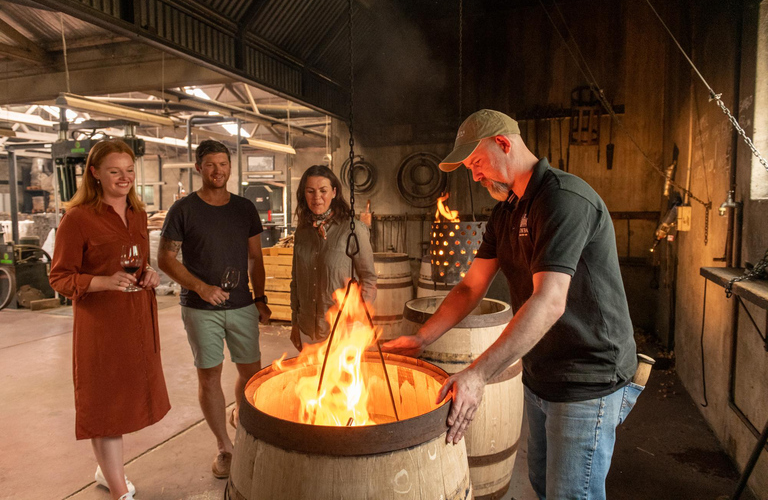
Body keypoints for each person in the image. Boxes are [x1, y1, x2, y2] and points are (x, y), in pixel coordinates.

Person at [383, 109, 640, 500]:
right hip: (541, 371)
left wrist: (477, 373)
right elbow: (470, 288)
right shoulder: (505, 213)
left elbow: (550, 301)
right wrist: (421, 338)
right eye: (470, 167)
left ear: (504, 143)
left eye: (478, 162)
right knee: (541, 483)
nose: (475, 175)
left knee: (572, 494)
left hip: (587, 375)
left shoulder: (562, 199)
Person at [50, 139, 170, 500]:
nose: (124, 178)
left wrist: (149, 273)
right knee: (106, 408)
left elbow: (138, 262)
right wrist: (99, 282)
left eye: (130, 170)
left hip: (136, 320)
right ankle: (120, 492)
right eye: (115, 171)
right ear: (95, 174)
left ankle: (106, 471)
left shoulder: (137, 213)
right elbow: (58, 277)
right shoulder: (78, 219)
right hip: (101, 327)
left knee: (126, 403)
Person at [157, 139, 270, 479]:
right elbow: (165, 258)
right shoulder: (184, 209)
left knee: (252, 374)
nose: (218, 170)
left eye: (223, 164)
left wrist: (261, 299)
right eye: (210, 165)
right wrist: (201, 288)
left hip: (241, 304)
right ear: (198, 168)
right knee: (210, 376)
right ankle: (224, 446)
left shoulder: (244, 208)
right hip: (199, 308)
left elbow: (255, 258)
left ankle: (241, 417)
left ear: (230, 167)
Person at [290, 165, 377, 350]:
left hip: (342, 331)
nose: (317, 198)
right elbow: (296, 281)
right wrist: (295, 323)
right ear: (304, 194)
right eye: (310, 191)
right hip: (308, 330)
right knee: (309, 379)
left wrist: (356, 318)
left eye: (323, 190)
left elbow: (369, 278)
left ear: (334, 192)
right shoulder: (302, 232)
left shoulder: (353, 229)